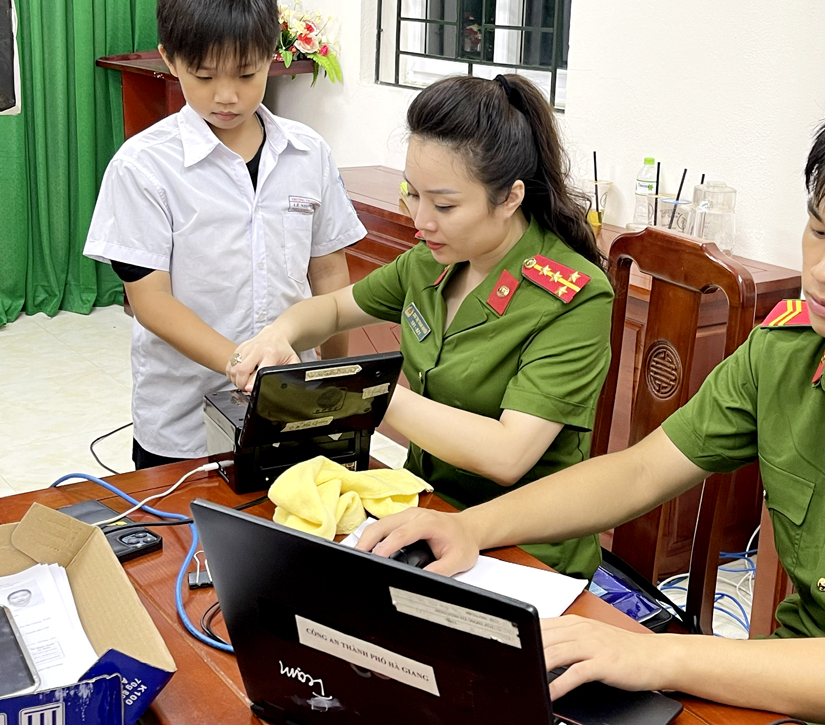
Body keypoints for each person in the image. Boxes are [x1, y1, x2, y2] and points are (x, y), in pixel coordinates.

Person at [356, 82, 825, 725]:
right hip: (792, 688)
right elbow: (638, 474)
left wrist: (655, 656)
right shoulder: (791, 349)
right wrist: (469, 529)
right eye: (818, 231)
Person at [228, 73, 614, 578]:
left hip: (525, 551)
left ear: (511, 198)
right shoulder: (433, 260)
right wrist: (276, 335)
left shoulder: (571, 296)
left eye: (445, 205)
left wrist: (362, 391)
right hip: (426, 513)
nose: (420, 219)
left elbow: (508, 453)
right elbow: (333, 310)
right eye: (413, 194)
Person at [84, 0, 366, 468]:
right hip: (182, 420)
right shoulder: (143, 167)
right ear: (170, 60)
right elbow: (151, 302)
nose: (227, 96)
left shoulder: (309, 153)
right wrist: (243, 364)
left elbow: (328, 275)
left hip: (292, 409)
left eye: (246, 73)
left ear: (272, 59)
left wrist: (338, 379)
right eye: (205, 75)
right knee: (185, 543)